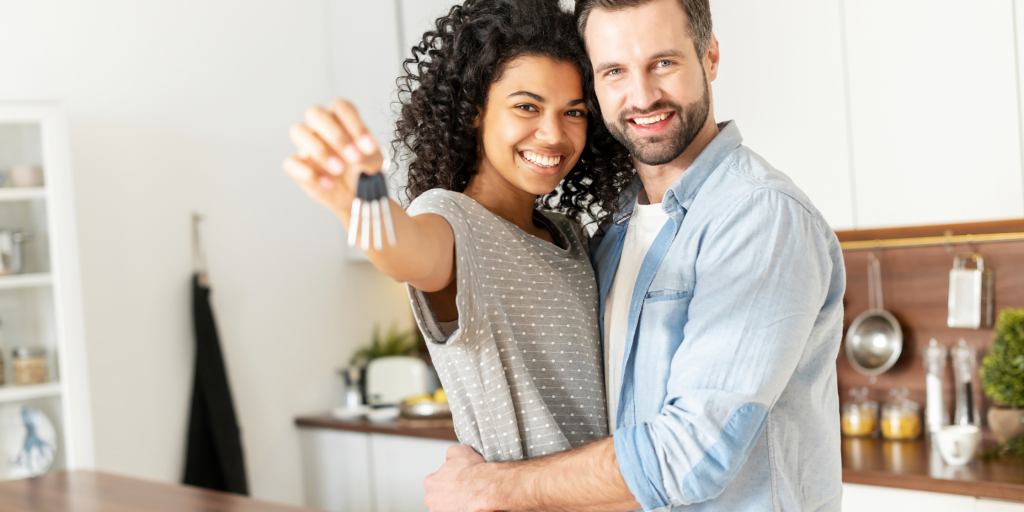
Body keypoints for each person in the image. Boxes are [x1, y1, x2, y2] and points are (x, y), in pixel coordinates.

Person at [422, 0, 846, 510]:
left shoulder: (760, 216)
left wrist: (491, 487)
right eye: (615, 71)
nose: (642, 96)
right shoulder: (612, 233)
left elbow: (692, 454)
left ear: (710, 57)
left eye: (663, 63)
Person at [282, 0, 635, 463]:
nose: (553, 134)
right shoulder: (454, 220)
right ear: (474, 111)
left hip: (602, 488)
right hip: (518, 494)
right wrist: (359, 201)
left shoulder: (569, 236)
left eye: (574, 112)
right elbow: (407, 251)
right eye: (526, 106)